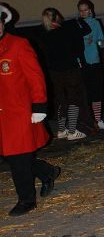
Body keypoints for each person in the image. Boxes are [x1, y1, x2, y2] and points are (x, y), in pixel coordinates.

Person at [0, 4, 61, 216]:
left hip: (19, 113)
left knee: (17, 158)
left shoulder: (18, 45)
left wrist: (39, 106)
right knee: (12, 156)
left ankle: (26, 200)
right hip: (2, 116)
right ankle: (47, 171)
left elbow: (36, 78)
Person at [33, 8, 89, 140]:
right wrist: (79, 21)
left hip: (54, 71)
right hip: (70, 69)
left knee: (60, 100)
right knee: (73, 99)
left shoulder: (43, 33)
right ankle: (72, 131)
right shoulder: (66, 30)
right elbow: (81, 40)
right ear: (57, 17)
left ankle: (61, 130)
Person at [77, 0, 104, 130]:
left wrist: (102, 43)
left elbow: (102, 40)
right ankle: (88, 120)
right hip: (82, 64)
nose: (83, 12)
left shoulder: (95, 23)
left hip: (95, 62)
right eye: (81, 10)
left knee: (97, 91)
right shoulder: (77, 25)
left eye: (85, 9)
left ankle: (98, 119)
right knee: (85, 93)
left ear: (90, 10)